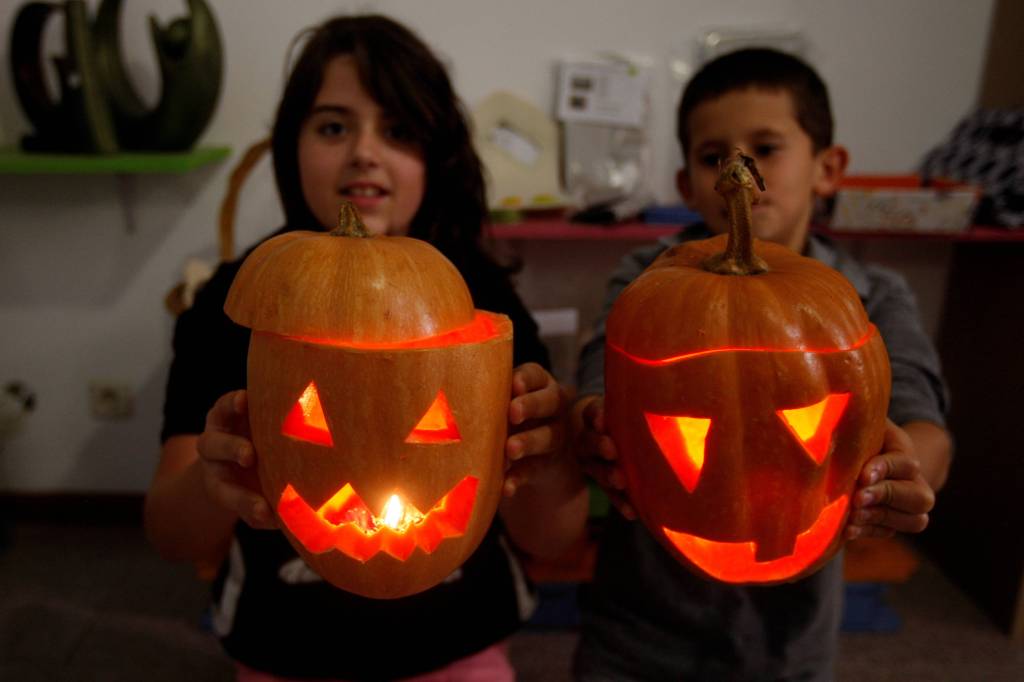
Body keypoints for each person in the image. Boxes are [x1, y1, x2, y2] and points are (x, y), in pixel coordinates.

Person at [144, 15, 588, 682]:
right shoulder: (235, 305)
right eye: (332, 126)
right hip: (284, 646)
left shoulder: (477, 296)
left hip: (460, 642)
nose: (364, 152)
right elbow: (171, 535)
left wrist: (547, 460)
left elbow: (552, 536)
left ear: (435, 155)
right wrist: (215, 485)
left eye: (399, 130)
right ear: (290, 144)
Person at [571, 48, 952, 681]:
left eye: (767, 148)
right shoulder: (645, 281)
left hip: (789, 646)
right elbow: (596, 390)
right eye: (712, 155)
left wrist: (901, 466)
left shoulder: (870, 295)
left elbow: (923, 421)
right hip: (639, 635)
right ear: (687, 183)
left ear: (828, 168)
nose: (739, 171)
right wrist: (590, 429)